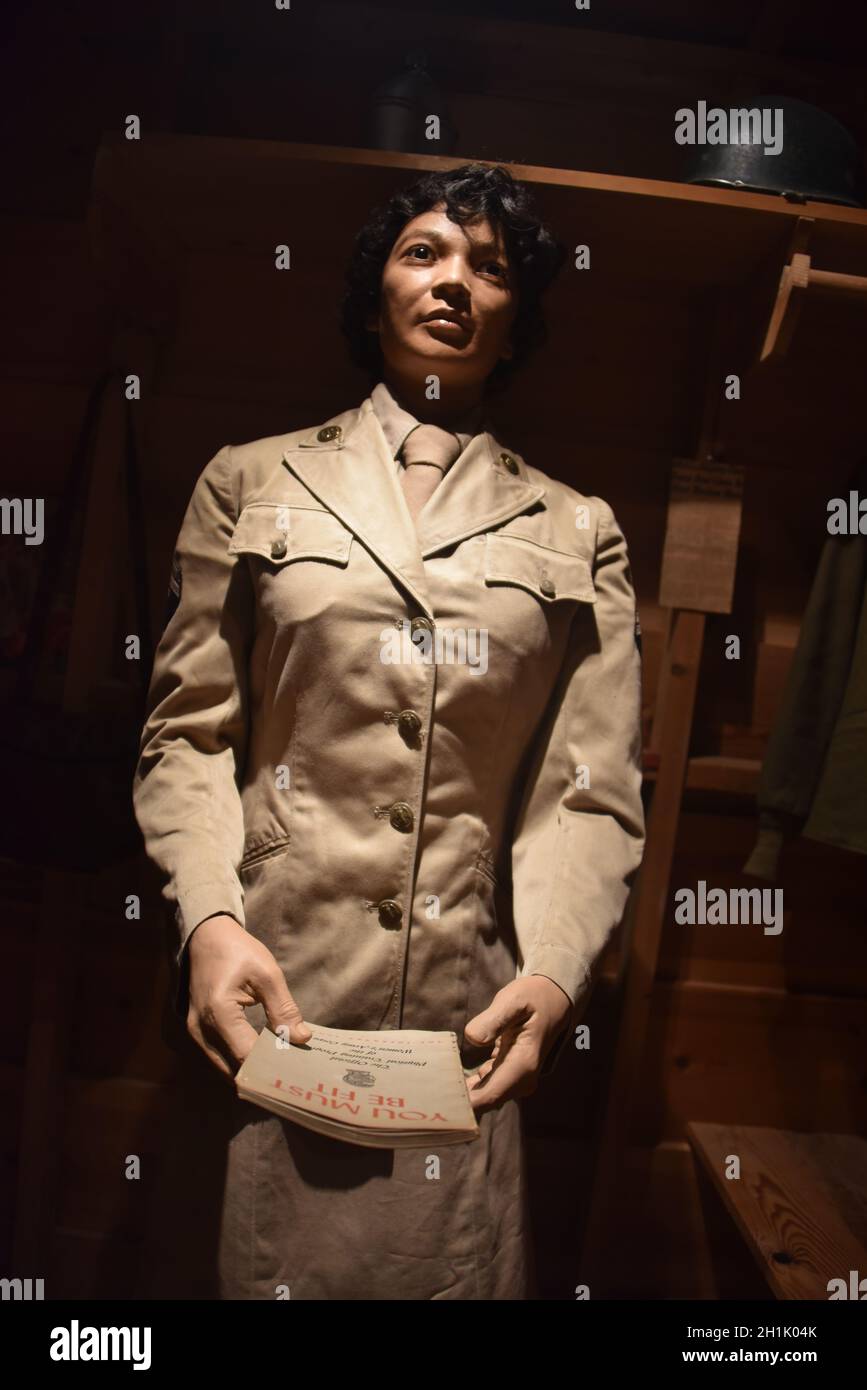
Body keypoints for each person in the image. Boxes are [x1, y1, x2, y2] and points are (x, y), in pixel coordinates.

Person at [132, 162, 646, 1300]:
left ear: (516, 323)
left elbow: (589, 789)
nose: (454, 280)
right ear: (374, 300)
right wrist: (210, 922)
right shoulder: (250, 482)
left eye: (490, 266)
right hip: (271, 990)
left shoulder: (579, 529)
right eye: (424, 253)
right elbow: (188, 738)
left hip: (465, 1022)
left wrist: (558, 974)